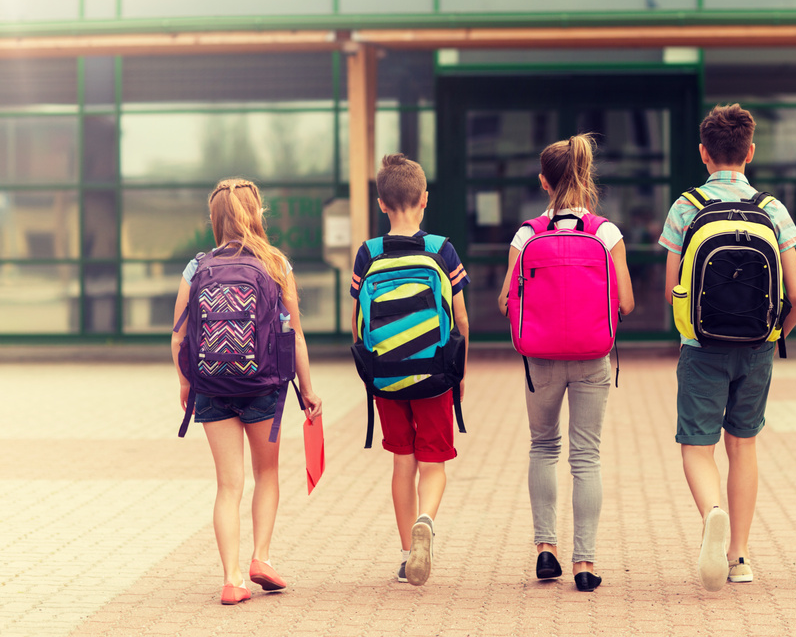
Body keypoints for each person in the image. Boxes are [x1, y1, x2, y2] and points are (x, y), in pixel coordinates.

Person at [659, 104, 796, 591]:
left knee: (696, 446)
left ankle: (712, 512)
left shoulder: (686, 207)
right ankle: (739, 556)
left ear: (703, 153)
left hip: (700, 345)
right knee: (743, 445)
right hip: (759, 345)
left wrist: (693, 328)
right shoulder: (772, 209)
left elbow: (672, 289)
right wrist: (775, 333)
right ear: (751, 151)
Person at [171, 178, 323, 606]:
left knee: (228, 485)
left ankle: (232, 578)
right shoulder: (276, 263)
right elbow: (295, 336)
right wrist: (307, 390)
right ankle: (261, 557)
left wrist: (187, 382)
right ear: (256, 213)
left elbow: (178, 337)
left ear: (215, 218)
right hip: (264, 386)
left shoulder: (197, 267)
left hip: (211, 386)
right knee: (267, 474)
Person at [497, 134, 635, 593]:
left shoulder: (527, 233)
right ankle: (585, 562)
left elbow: (504, 300)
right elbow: (628, 302)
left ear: (543, 182)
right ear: (586, 176)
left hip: (540, 358)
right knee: (586, 457)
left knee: (543, 447)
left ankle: (545, 550)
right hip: (593, 356)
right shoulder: (606, 231)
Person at [350, 154, 470, 587]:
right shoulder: (440, 249)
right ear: (424, 200)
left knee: (403, 461)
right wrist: (458, 375)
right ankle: (426, 521)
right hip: (434, 374)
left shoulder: (368, 253)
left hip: (386, 377)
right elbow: (460, 319)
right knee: (433, 463)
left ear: (381, 203)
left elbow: (358, 324)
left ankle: (406, 556)